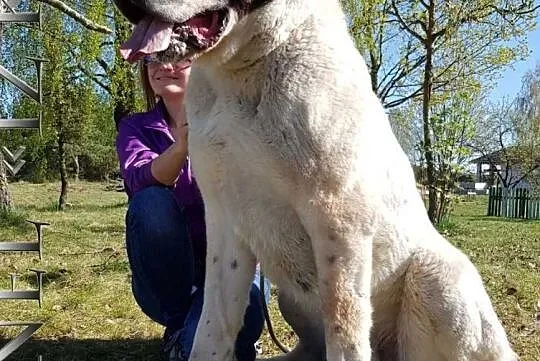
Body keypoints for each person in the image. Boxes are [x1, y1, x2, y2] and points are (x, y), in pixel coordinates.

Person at [115, 56, 268, 361]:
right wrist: (183, 146)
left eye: (175, 56)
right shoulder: (135, 127)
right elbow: (139, 179)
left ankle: (185, 340)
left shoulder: (236, 122)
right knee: (150, 201)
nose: (161, 66)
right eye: (152, 59)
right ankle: (181, 324)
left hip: (232, 272)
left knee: (229, 320)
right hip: (167, 284)